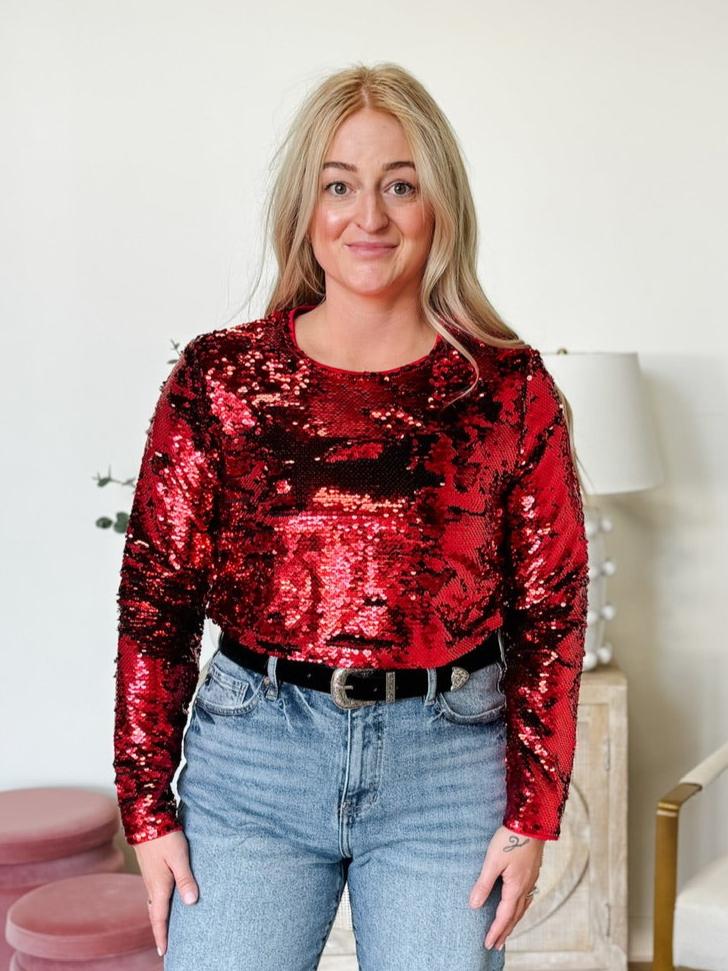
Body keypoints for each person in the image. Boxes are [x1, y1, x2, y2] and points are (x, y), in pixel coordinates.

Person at [113, 61, 590, 971]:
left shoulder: (508, 386)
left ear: (439, 206)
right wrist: (146, 805)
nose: (368, 215)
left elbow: (551, 607)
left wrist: (533, 812)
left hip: (448, 772)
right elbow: (155, 598)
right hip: (253, 761)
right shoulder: (221, 378)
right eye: (341, 185)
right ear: (306, 206)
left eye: (399, 185)